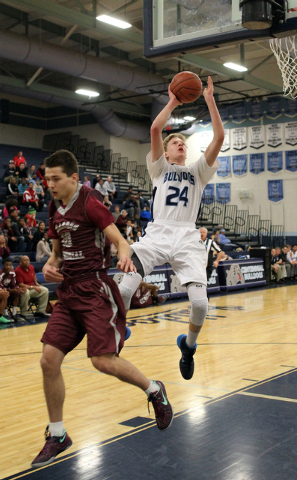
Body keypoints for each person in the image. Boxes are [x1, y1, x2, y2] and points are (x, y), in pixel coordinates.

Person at [31, 149, 173, 469]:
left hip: (94, 289)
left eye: (56, 179)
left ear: (74, 178)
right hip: (68, 293)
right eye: (47, 179)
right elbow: (56, 255)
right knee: (48, 359)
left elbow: (119, 240)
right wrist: (51, 266)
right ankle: (57, 434)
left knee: (102, 360)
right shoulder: (55, 207)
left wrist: (124, 255)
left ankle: (154, 391)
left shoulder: (90, 201)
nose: (50, 184)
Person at [118, 76, 224, 380]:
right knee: (125, 286)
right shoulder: (159, 169)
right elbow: (155, 129)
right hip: (159, 233)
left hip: (187, 236)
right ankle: (119, 330)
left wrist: (209, 99)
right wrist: (174, 100)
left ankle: (188, 346)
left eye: (183, 143)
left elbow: (218, 137)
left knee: (201, 305)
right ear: (165, 153)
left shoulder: (198, 171)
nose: (180, 144)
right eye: (175, 142)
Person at [0, 258, 25, 322]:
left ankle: (14, 314)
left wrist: (17, 288)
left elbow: (13, 284)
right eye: (6, 265)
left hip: (9, 290)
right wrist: (11, 290)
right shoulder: (1, 273)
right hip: (2, 290)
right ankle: (5, 314)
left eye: (10, 265)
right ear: (3, 265)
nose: (8, 267)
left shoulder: (12, 272)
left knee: (17, 293)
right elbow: (1, 287)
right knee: (5, 294)